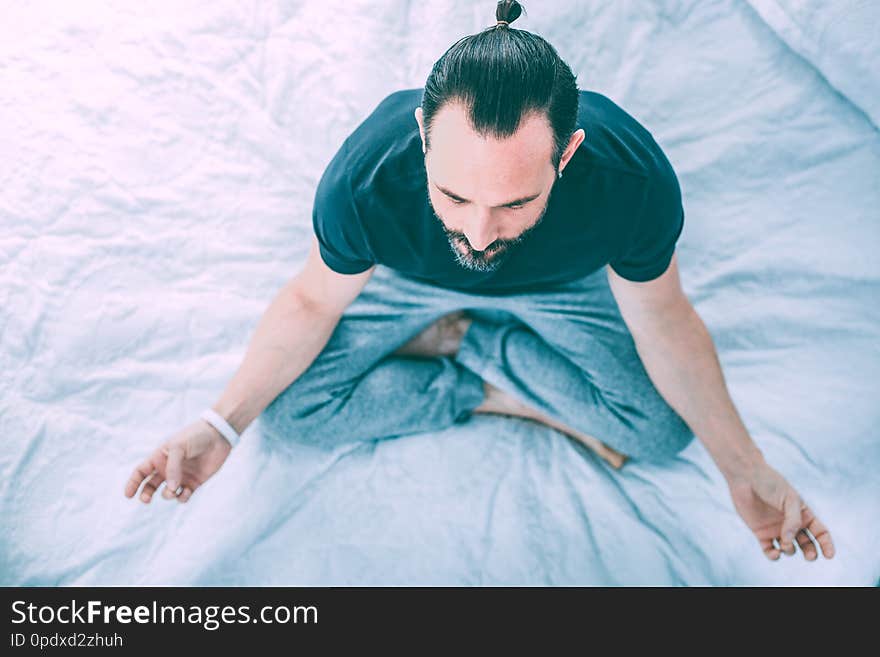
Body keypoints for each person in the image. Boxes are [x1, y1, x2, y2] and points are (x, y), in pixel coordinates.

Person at [124, 0, 835, 564]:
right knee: (288, 410)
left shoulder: (632, 181)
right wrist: (220, 423)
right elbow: (313, 298)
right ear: (424, 139)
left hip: (563, 291)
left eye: (516, 202)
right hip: (410, 286)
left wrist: (745, 467)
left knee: (660, 433)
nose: (481, 234)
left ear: (568, 154)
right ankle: (492, 373)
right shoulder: (364, 176)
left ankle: (467, 347)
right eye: (455, 196)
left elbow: (663, 317)